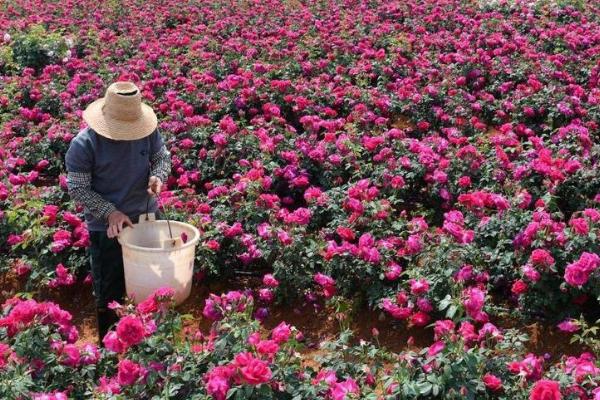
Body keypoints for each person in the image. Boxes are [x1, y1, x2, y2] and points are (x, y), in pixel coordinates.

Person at [65, 81, 171, 343]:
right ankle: (111, 351)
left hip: (146, 219)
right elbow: (78, 187)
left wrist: (158, 176)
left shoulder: (148, 132)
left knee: (152, 286)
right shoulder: (84, 144)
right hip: (107, 228)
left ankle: (151, 346)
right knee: (111, 293)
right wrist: (109, 212)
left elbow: (161, 157)